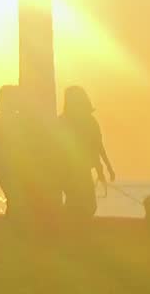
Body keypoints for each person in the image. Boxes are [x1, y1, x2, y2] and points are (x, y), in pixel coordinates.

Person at [58, 86, 115, 219]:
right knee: (84, 205)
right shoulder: (66, 122)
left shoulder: (68, 121)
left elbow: (98, 146)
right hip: (72, 171)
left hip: (78, 170)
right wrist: (105, 168)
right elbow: (97, 147)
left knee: (82, 205)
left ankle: (71, 229)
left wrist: (106, 168)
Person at [0, 85, 25, 218]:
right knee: (15, 199)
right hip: (10, 167)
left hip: (8, 167)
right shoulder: (16, 120)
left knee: (14, 200)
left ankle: (12, 224)